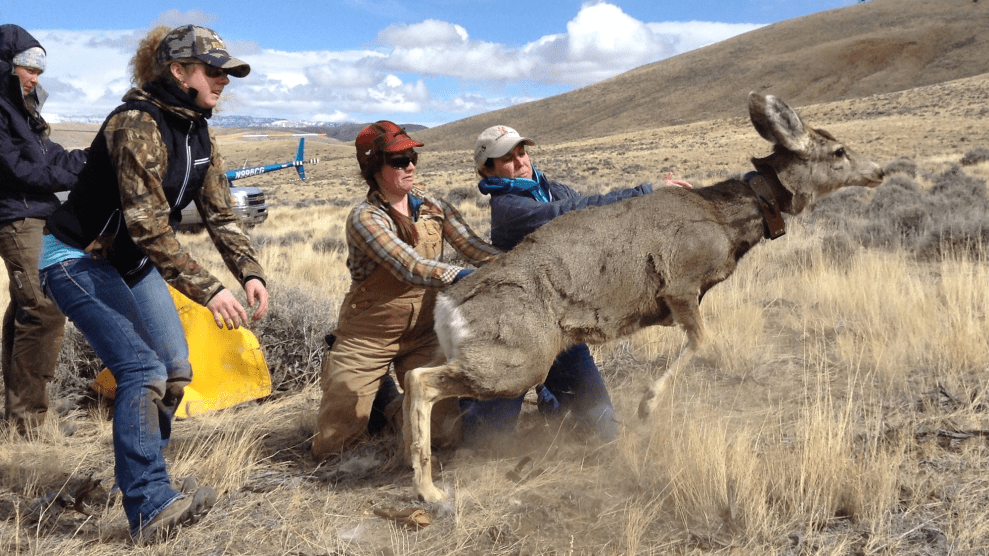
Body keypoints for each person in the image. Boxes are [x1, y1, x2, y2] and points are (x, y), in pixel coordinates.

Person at [38, 25, 269, 543]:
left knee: (174, 370)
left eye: (227, 72)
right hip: (75, 258)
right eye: (213, 71)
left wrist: (249, 272)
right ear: (177, 71)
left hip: (129, 260)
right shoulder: (137, 123)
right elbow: (148, 225)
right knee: (141, 369)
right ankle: (150, 503)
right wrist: (211, 290)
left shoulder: (198, 131)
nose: (223, 81)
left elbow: (220, 214)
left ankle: (147, 481)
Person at [462, 125, 691, 446]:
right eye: (507, 159)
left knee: (602, 431)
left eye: (521, 152)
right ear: (488, 169)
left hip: (561, 332)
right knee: (486, 441)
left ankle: (548, 397)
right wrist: (643, 194)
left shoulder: (553, 189)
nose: (520, 162)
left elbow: (600, 218)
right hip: (515, 336)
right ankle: (462, 399)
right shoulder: (510, 209)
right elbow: (574, 214)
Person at [311, 121, 501, 460]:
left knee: (445, 436)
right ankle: (378, 394)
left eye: (411, 157)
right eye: (398, 161)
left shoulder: (433, 206)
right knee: (333, 448)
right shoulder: (365, 218)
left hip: (423, 335)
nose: (410, 165)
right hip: (366, 338)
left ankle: (391, 409)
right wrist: (466, 276)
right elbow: (410, 266)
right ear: (374, 168)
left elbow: (472, 246)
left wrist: (516, 263)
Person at [0, 25, 87, 433]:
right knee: (44, 307)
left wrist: (89, 160)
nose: (35, 77)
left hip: (34, 213)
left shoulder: (23, 108)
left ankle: (22, 413)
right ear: (5, 64)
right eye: (28, 67)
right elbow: (17, 169)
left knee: (26, 307)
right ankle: (29, 423)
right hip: (15, 216)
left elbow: (48, 155)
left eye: (40, 69)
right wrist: (70, 175)